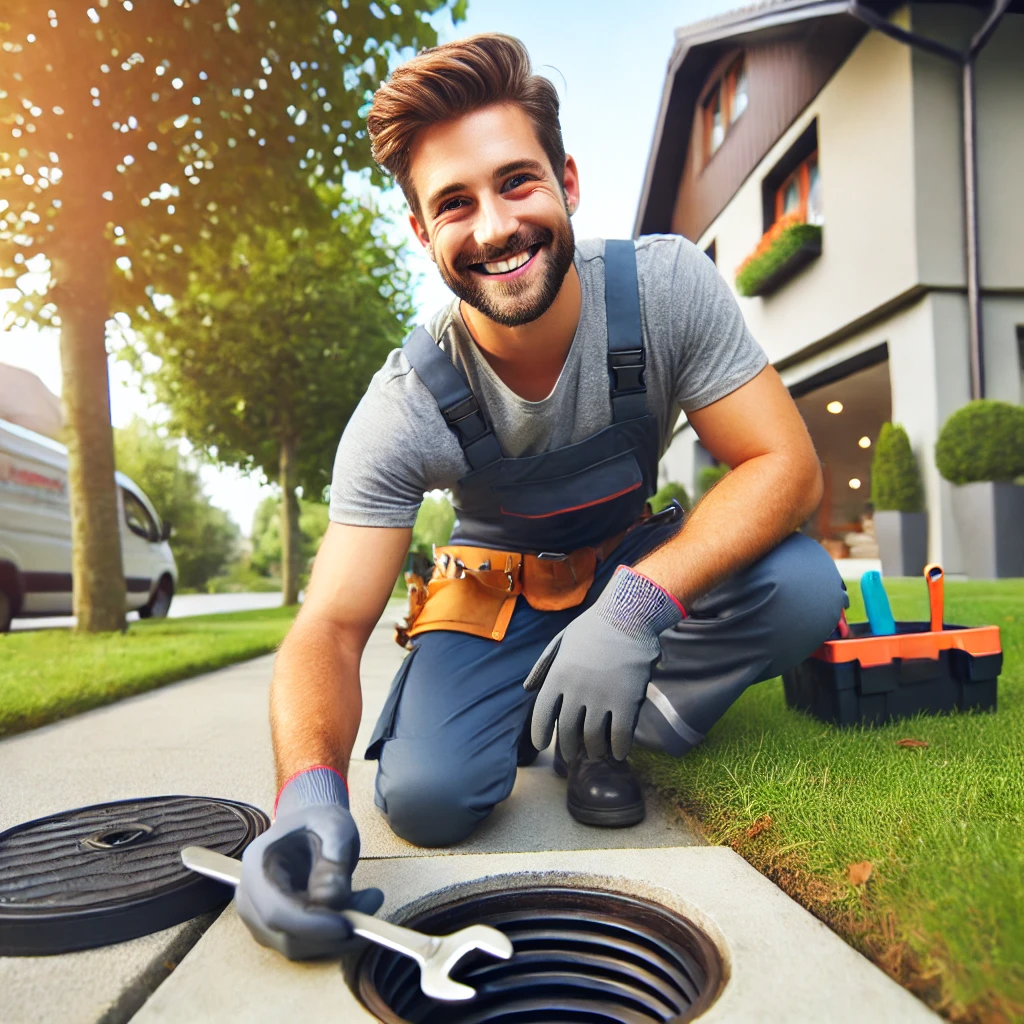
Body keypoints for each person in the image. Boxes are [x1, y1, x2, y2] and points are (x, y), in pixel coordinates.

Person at [235, 33, 848, 959]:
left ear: (566, 179)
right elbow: (326, 627)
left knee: (804, 589)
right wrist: (306, 793)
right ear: (420, 232)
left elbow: (785, 466)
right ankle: (536, 703)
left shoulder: (666, 288)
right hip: (492, 597)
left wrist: (638, 605)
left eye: (516, 182)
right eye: (453, 204)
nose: (493, 227)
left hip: (630, 567)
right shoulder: (403, 405)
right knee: (431, 800)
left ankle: (596, 739)